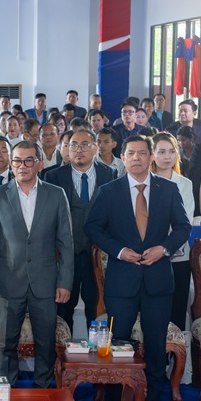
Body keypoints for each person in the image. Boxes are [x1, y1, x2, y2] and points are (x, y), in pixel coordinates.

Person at [86, 135, 191, 401]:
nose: (136, 158)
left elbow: (183, 228)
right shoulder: (109, 191)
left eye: (142, 153)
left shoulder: (168, 189)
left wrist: (164, 249)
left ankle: (152, 400)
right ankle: (116, 399)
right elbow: (93, 228)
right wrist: (119, 251)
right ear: (123, 157)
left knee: (156, 344)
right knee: (119, 343)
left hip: (158, 279)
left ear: (151, 157)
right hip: (122, 280)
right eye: (131, 153)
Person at [0, 141, 73, 387]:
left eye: (28, 160)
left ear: (39, 164)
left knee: (46, 343)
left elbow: (66, 243)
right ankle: (6, 391)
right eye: (17, 160)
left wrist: (64, 282)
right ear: (11, 164)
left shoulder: (56, 194)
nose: (22, 165)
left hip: (46, 281)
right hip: (9, 281)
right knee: (6, 343)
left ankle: (43, 392)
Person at [44, 128, 115, 328]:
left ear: (95, 149)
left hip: (97, 257)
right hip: (64, 257)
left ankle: (96, 348)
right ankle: (61, 348)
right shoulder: (53, 177)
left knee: (97, 311)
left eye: (85, 145)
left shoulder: (109, 174)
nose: (78, 149)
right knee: (62, 311)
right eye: (73, 145)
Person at [150, 132, 197, 331]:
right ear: (152, 154)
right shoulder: (144, 182)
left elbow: (184, 222)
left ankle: (175, 351)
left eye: (171, 151)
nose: (167, 157)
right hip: (148, 254)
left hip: (178, 256)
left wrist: (166, 247)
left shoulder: (185, 184)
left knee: (177, 311)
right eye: (161, 152)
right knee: (152, 312)